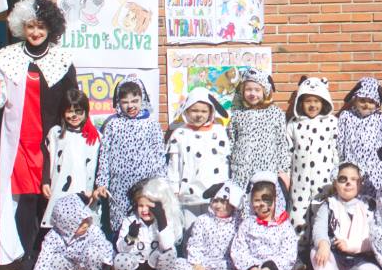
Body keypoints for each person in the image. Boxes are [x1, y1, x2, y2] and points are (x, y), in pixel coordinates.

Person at [0, 0, 77, 270]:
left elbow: (73, 100)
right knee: (26, 199)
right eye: (31, 26)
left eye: (41, 27)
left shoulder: (62, 59)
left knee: (49, 198)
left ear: (51, 29)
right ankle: (28, 255)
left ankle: (49, 252)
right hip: (20, 142)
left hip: (52, 143)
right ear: (22, 27)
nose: (35, 32)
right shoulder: (7, 58)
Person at [299, 163, 382, 270]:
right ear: (335, 183)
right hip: (335, 257)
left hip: (361, 258)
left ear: (360, 183)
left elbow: (376, 235)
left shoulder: (369, 205)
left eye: (353, 179)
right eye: (343, 179)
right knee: (315, 252)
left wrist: (352, 247)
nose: (348, 183)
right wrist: (323, 244)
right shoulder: (329, 204)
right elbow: (319, 229)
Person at [94, 76, 165, 238]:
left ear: (143, 99)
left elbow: (159, 154)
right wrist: (102, 183)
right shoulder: (112, 124)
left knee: (146, 217)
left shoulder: (151, 123)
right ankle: (121, 255)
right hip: (119, 186)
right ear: (118, 102)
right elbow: (104, 155)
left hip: (145, 183)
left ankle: (147, 257)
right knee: (121, 224)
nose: (130, 105)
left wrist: (161, 182)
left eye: (135, 100)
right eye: (125, 102)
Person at [30, 194, 113, 270]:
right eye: (79, 223)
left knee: (94, 251)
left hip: (85, 267)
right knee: (51, 258)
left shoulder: (92, 230)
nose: (85, 224)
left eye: (86, 219)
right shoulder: (54, 237)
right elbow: (43, 264)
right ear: (66, 224)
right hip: (66, 268)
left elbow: (106, 251)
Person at [226, 175, 298, 270]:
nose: (262, 204)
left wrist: (269, 268)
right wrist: (251, 267)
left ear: (276, 201)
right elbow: (239, 248)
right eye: (257, 200)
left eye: (267, 200)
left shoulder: (284, 226)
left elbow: (288, 253)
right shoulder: (248, 224)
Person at [167, 86, 230, 226]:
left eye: (203, 111)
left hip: (214, 194)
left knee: (215, 230)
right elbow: (174, 165)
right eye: (194, 110)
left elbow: (224, 162)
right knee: (190, 231)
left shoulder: (219, 132)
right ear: (186, 110)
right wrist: (174, 189)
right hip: (188, 195)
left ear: (211, 112)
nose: (199, 115)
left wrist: (225, 187)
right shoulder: (179, 134)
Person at [113, 177, 183, 270]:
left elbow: (167, 246)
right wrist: (130, 237)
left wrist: (162, 221)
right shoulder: (129, 221)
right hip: (136, 267)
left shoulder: (166, 221)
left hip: (154, 267)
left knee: (171, 252)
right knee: (119, 259)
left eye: (149, 206)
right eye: (141, 205)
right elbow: (120, 249)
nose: (144, 210)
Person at [286, 76, 339, 237]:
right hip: (299, 179)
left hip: (324, 180)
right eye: (308, 101)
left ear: (324, 102)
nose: (312, 105)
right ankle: (299, 251)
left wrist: (336, 175)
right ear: (300, 103)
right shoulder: (294, 124)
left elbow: (337, 150)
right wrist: (288, 177)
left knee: (322, 211)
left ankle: (323, 246)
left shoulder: (331, 122)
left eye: (317, 101)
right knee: (298, 213)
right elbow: (288, 150)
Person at [170, 181, 243, 270]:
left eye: (223, 201)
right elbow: (195, 244)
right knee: (177, 262)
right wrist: (197, 265)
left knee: (228, 267)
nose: (218, 206)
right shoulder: (203, 220)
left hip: (222, 264)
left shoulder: (238, 222)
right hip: (202, 264)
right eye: (215, 201)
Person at [41, 88, 100, 228]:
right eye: (69, 111)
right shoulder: (56, 133)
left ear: (85, 111)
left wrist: (95, 188)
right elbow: (48, 158)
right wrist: (45, 181)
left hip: (84, 190)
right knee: (60, 224)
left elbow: (98, 165)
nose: (74, 116)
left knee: (83, 226)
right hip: (60, 189)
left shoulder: (93, 137)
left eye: (78, 111)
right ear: (63, 112)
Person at [227, 67, 289, 190]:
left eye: (257, 90)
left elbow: (282, 143)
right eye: (248, 89)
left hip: (266, 170)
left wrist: (283, 171)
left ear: (265, 91)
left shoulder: (275, 113)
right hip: (241, 171)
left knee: (266, 205)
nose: (252, 94)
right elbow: (231, 141)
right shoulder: (238, 114)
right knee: (242, 205)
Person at [336, 77, 382, 199]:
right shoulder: (346, 116)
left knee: (373, 203)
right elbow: (340, 142)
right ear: (355, 100)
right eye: (362, 100)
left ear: (377, 103)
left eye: (371, 102)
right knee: (351, 200)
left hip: (374, 170)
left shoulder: (379, 118)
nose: (366, 105)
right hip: (352, 168)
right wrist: (341, 163)